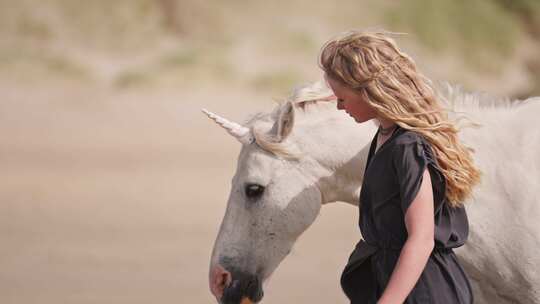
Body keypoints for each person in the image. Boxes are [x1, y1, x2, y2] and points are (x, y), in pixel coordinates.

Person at [319, 30, 482, 304]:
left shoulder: (408, 147)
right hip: (397, 282)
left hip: (425, 291)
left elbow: (422, 239)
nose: (338, 106)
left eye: (342, 98)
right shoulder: (385, 136)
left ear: (368, 91)